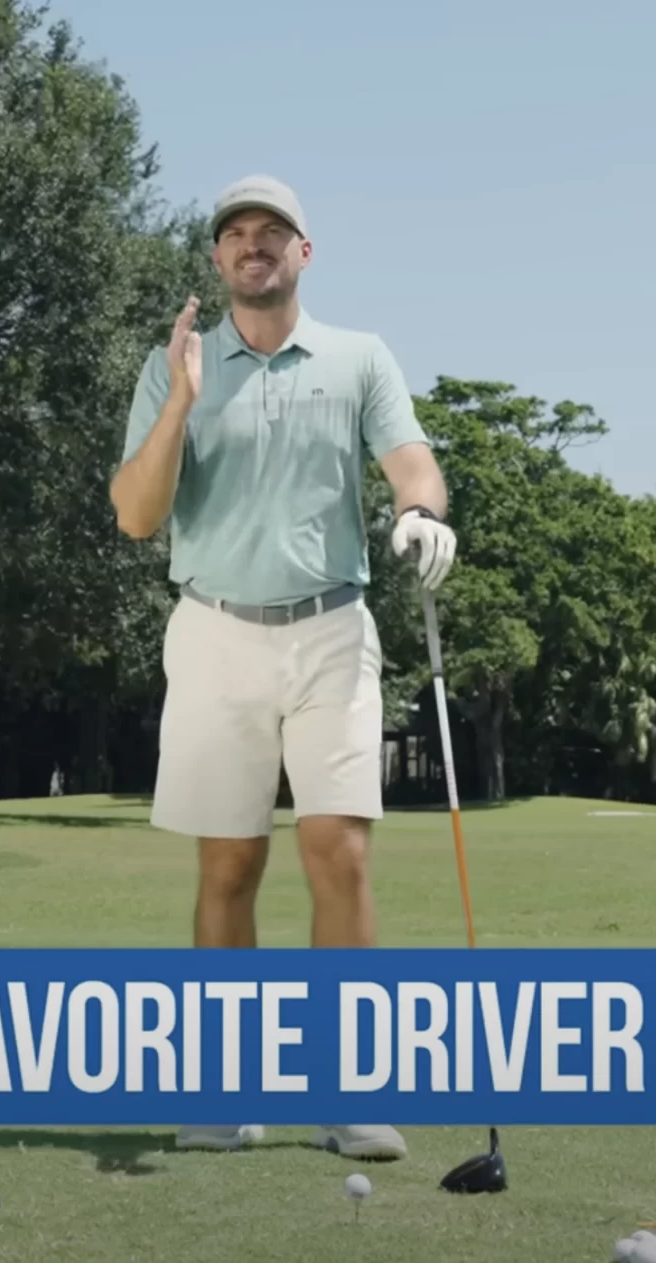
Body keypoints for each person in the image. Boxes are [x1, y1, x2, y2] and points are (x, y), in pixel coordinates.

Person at [108, 174, 456, 1163]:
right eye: (235, 234)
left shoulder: (359, 357)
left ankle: (347, 1092)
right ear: (218, 260)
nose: (252, 245)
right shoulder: (173, 364)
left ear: (305, 252)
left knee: (338, 850)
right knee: (229, 863)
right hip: (214, 632)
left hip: (331, 630)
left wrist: (422, 515)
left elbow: (411, 462)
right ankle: (225, 1092)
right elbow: (137, 515)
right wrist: (179, 398)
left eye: (273, 232)